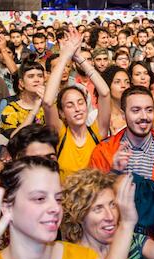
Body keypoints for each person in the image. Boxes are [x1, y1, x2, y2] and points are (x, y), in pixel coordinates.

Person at [90, 86, 154, 218]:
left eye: (149, 110)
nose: (144, 117)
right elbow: (93, 198)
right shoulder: (103, 151)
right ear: (123, 114)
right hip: (113, 232)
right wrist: (113, 173)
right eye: (136, 110)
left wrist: (141, 214)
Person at [42, 27, 111, 179]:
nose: (77, 109)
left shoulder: (97, 131)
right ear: (61, 113)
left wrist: (79, 57)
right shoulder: (60, 134)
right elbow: (47, 102)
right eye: (69, 105)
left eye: (80, 102)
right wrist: (64, 57)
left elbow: (105, 93)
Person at [0, 61, 46, 138]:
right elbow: (13, 139)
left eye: (40, 76)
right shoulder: (11, 109)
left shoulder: (50, 106)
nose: (37, 80)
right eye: (31, 76)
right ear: (21, 83)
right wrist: (34, 110)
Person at [102, 66, 130, 135]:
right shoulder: (98, 116)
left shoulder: (136, 115)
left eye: (127, 82)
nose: (123, 85)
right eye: (117, 82)